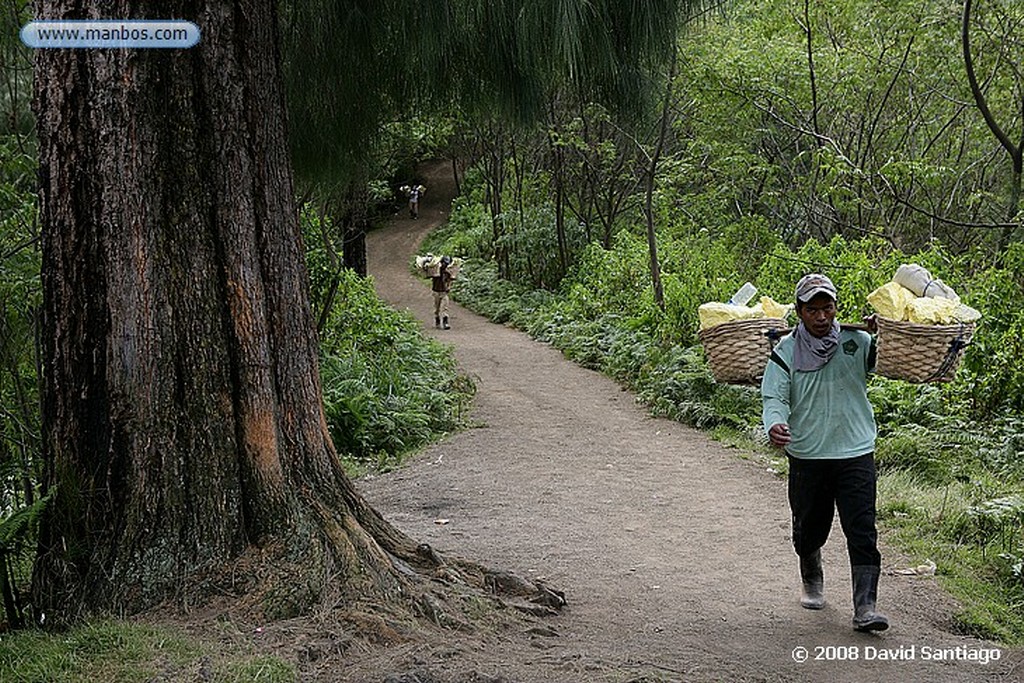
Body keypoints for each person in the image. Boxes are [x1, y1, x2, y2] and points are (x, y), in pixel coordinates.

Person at [761, 273, 889, 632]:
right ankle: (811, 572)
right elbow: (774, 396)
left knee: (862, 530)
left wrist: (885, 334)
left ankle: (865, 607)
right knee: (809, 528)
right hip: (809, 455)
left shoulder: (857, 341)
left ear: (836, 308)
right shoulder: (785, 351)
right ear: (800, 312)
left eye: (827, 308)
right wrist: (775, 424)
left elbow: (888, 362)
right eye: (812, 310)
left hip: (855, 451)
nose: (821, 317)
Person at [431, 256, 453, 329]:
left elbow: (450, 280)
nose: (445, 265)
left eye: (446, 264)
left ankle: (445, 322)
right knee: (437, 308)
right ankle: (437, 319)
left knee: (445, 308)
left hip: (444, 292)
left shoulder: (447, 272)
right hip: (436, 291)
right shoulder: (435, 270)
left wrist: (449, 286)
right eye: (444, 263)